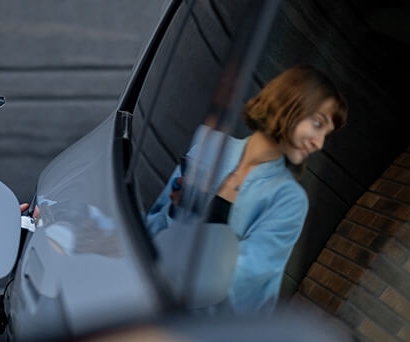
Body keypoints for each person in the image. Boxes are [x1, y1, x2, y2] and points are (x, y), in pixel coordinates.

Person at [145, 65, 347, 315]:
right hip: (144, 295)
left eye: (327, 133)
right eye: (318, 123)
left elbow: (238, 284)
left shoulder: (289, 200)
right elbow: (150, 229)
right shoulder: (209, 145)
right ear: (288, 104)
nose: (319, 143)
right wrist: (176, 212)